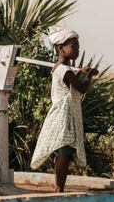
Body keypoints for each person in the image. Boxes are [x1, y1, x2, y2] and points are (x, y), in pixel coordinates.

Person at [30, 26, 99, 192]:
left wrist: (80, 71)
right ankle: (59, 188)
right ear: (61, 48)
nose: (77, 49)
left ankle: (58, 186)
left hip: (63, 114)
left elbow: (69, 79)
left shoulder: (59, 67)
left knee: (64, 151)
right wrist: (89, 75)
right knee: (65, 152)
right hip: (65, 116)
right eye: (73, 46)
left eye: (78, 46)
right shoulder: (65, 71)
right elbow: (81, 88)